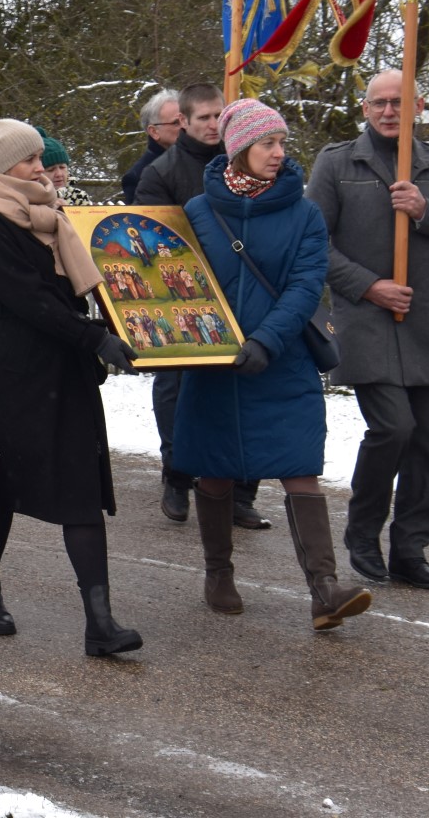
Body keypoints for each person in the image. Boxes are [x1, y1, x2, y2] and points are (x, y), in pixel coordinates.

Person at [176, 99, 372, 630]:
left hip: (283, 362)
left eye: (283, 143)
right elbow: (177, 282)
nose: (279, 153)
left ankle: (324, 590)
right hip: (215, 364)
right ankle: (218, 572)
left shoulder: (304, 213)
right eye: (268, 143)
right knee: (214, 471)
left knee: (300, 469)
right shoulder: (197, 211)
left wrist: (265, 340)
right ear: (238, 148)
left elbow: (306, 286)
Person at [0, 119, 143, 657]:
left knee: (80, 488)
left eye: (41, 158)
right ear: (0, 168)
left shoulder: (55, 220)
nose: (41, 168)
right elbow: (29, 300)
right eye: (29, 160)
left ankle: (100, 623)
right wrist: (93, 339)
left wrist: (121, 329)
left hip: (62, 372)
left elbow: (74, 296)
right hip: (6, 377)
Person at [306, 70, 429, 590]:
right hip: (366, 320)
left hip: (425, 322)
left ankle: (410, 550)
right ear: (365, 109)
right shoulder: (338, 163)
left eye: (398, 103)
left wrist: (425, 209)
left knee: (428, 442)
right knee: (393, 428)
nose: (389, 111)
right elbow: (316, 244)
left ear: (418, 108)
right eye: (379, 103)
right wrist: (370, 287)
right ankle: (362, 534)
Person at [137, 82, 270, 531]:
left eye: (220, 116)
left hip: (244, 292)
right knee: (176, 389)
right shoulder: (162, 172)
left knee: (243, 392)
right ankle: (176, 476)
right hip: (184, 293)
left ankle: (241, 491)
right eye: (204, 118)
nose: (214, 125)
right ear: (185, 123)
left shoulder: (247, 160)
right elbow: (153, 237)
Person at [121, 88, 183, 204]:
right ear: (154, 131)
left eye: (185, 120)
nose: (184, 127)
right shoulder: (137, 176)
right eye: (176, 123)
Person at [39, 131, 94, 206]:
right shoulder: (30, 198)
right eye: (51, 170)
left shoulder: (79, 197)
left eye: (62, 167)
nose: (59, 174)